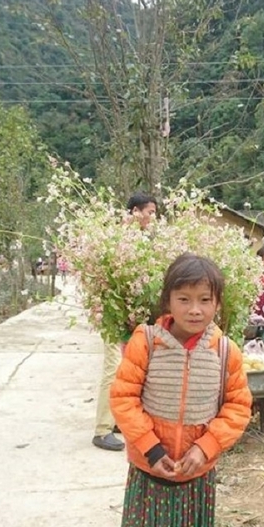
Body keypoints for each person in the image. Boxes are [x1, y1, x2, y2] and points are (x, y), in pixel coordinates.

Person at [111, 253, 252, 527]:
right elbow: (123, 397)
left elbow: (237, 407)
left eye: (205, 300)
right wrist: (151, 449)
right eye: (184, 298)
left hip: (197, 472)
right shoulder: (147, 341)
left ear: (218, 303)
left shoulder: (226, 351)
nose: (195, 309)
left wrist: (206, 447)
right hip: (150, 469)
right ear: (167, 302)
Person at [91, 191, 158, 451]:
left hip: (126, 313)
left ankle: (115, 419)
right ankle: (101, 429)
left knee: (126, 368)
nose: (153, 218)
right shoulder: (117, 239)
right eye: (150, 212)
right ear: (135, 212)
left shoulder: (139, 239)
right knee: (113, 366)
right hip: (111, 312)